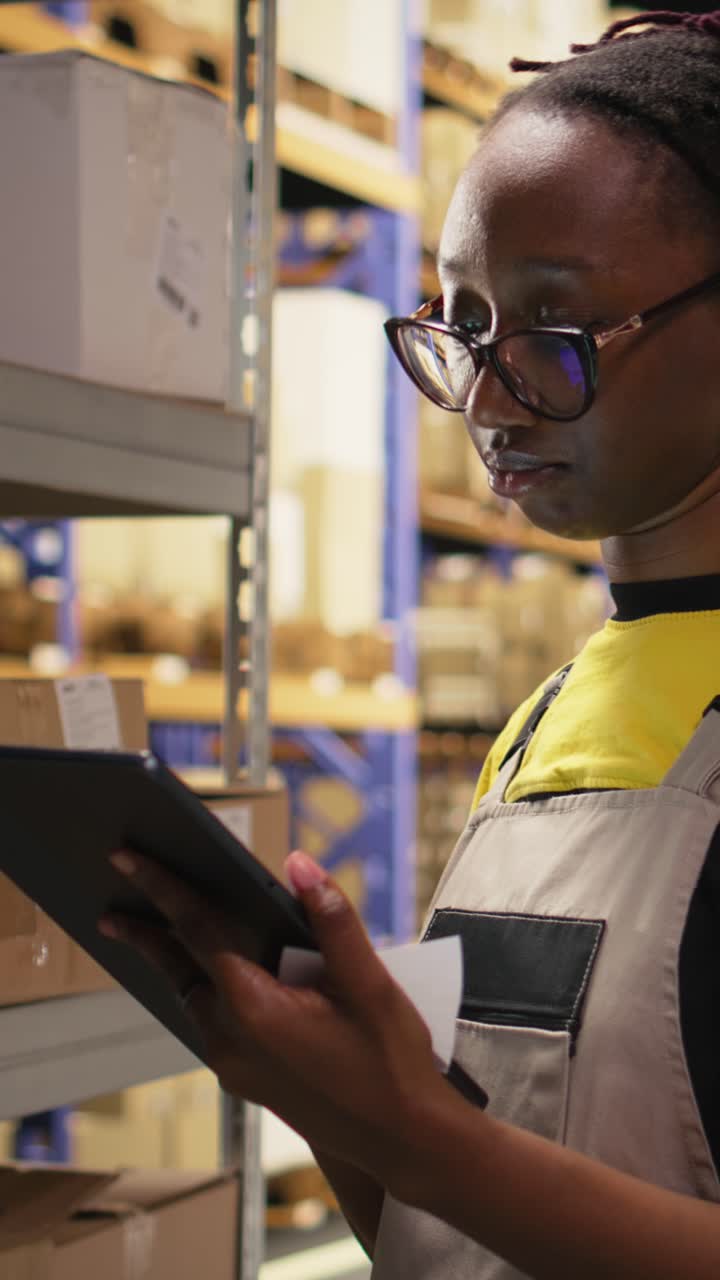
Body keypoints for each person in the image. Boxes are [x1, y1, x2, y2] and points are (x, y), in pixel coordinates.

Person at [99, 9, 720, 1278]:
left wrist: (425, 1138)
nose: (487, 402)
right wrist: (331, 1096)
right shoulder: (549, 720)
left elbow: (460, 1166)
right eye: (463, 327)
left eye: (556, 330)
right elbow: (452, 1236)